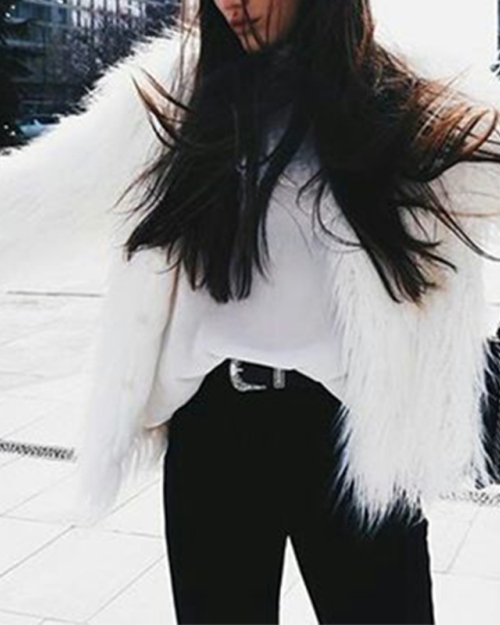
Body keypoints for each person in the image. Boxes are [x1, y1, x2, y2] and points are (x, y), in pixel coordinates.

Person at [1, 0, 500, 623]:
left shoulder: (401, 98)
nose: (229, 4)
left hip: (356, 436)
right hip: (215, 435)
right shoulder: (173, 100)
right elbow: (32, 199)